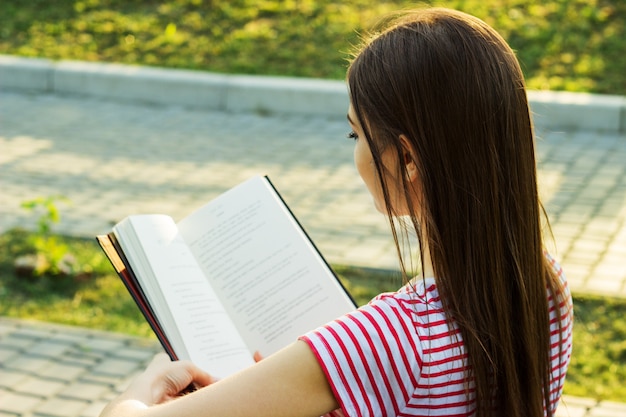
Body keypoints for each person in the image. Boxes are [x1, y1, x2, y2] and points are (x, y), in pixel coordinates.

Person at [99, 7, 573, 417]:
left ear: (407, 160)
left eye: (357, 135)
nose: (356, 154)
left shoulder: (387, 339)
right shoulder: (546, 286)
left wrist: (140, 392)